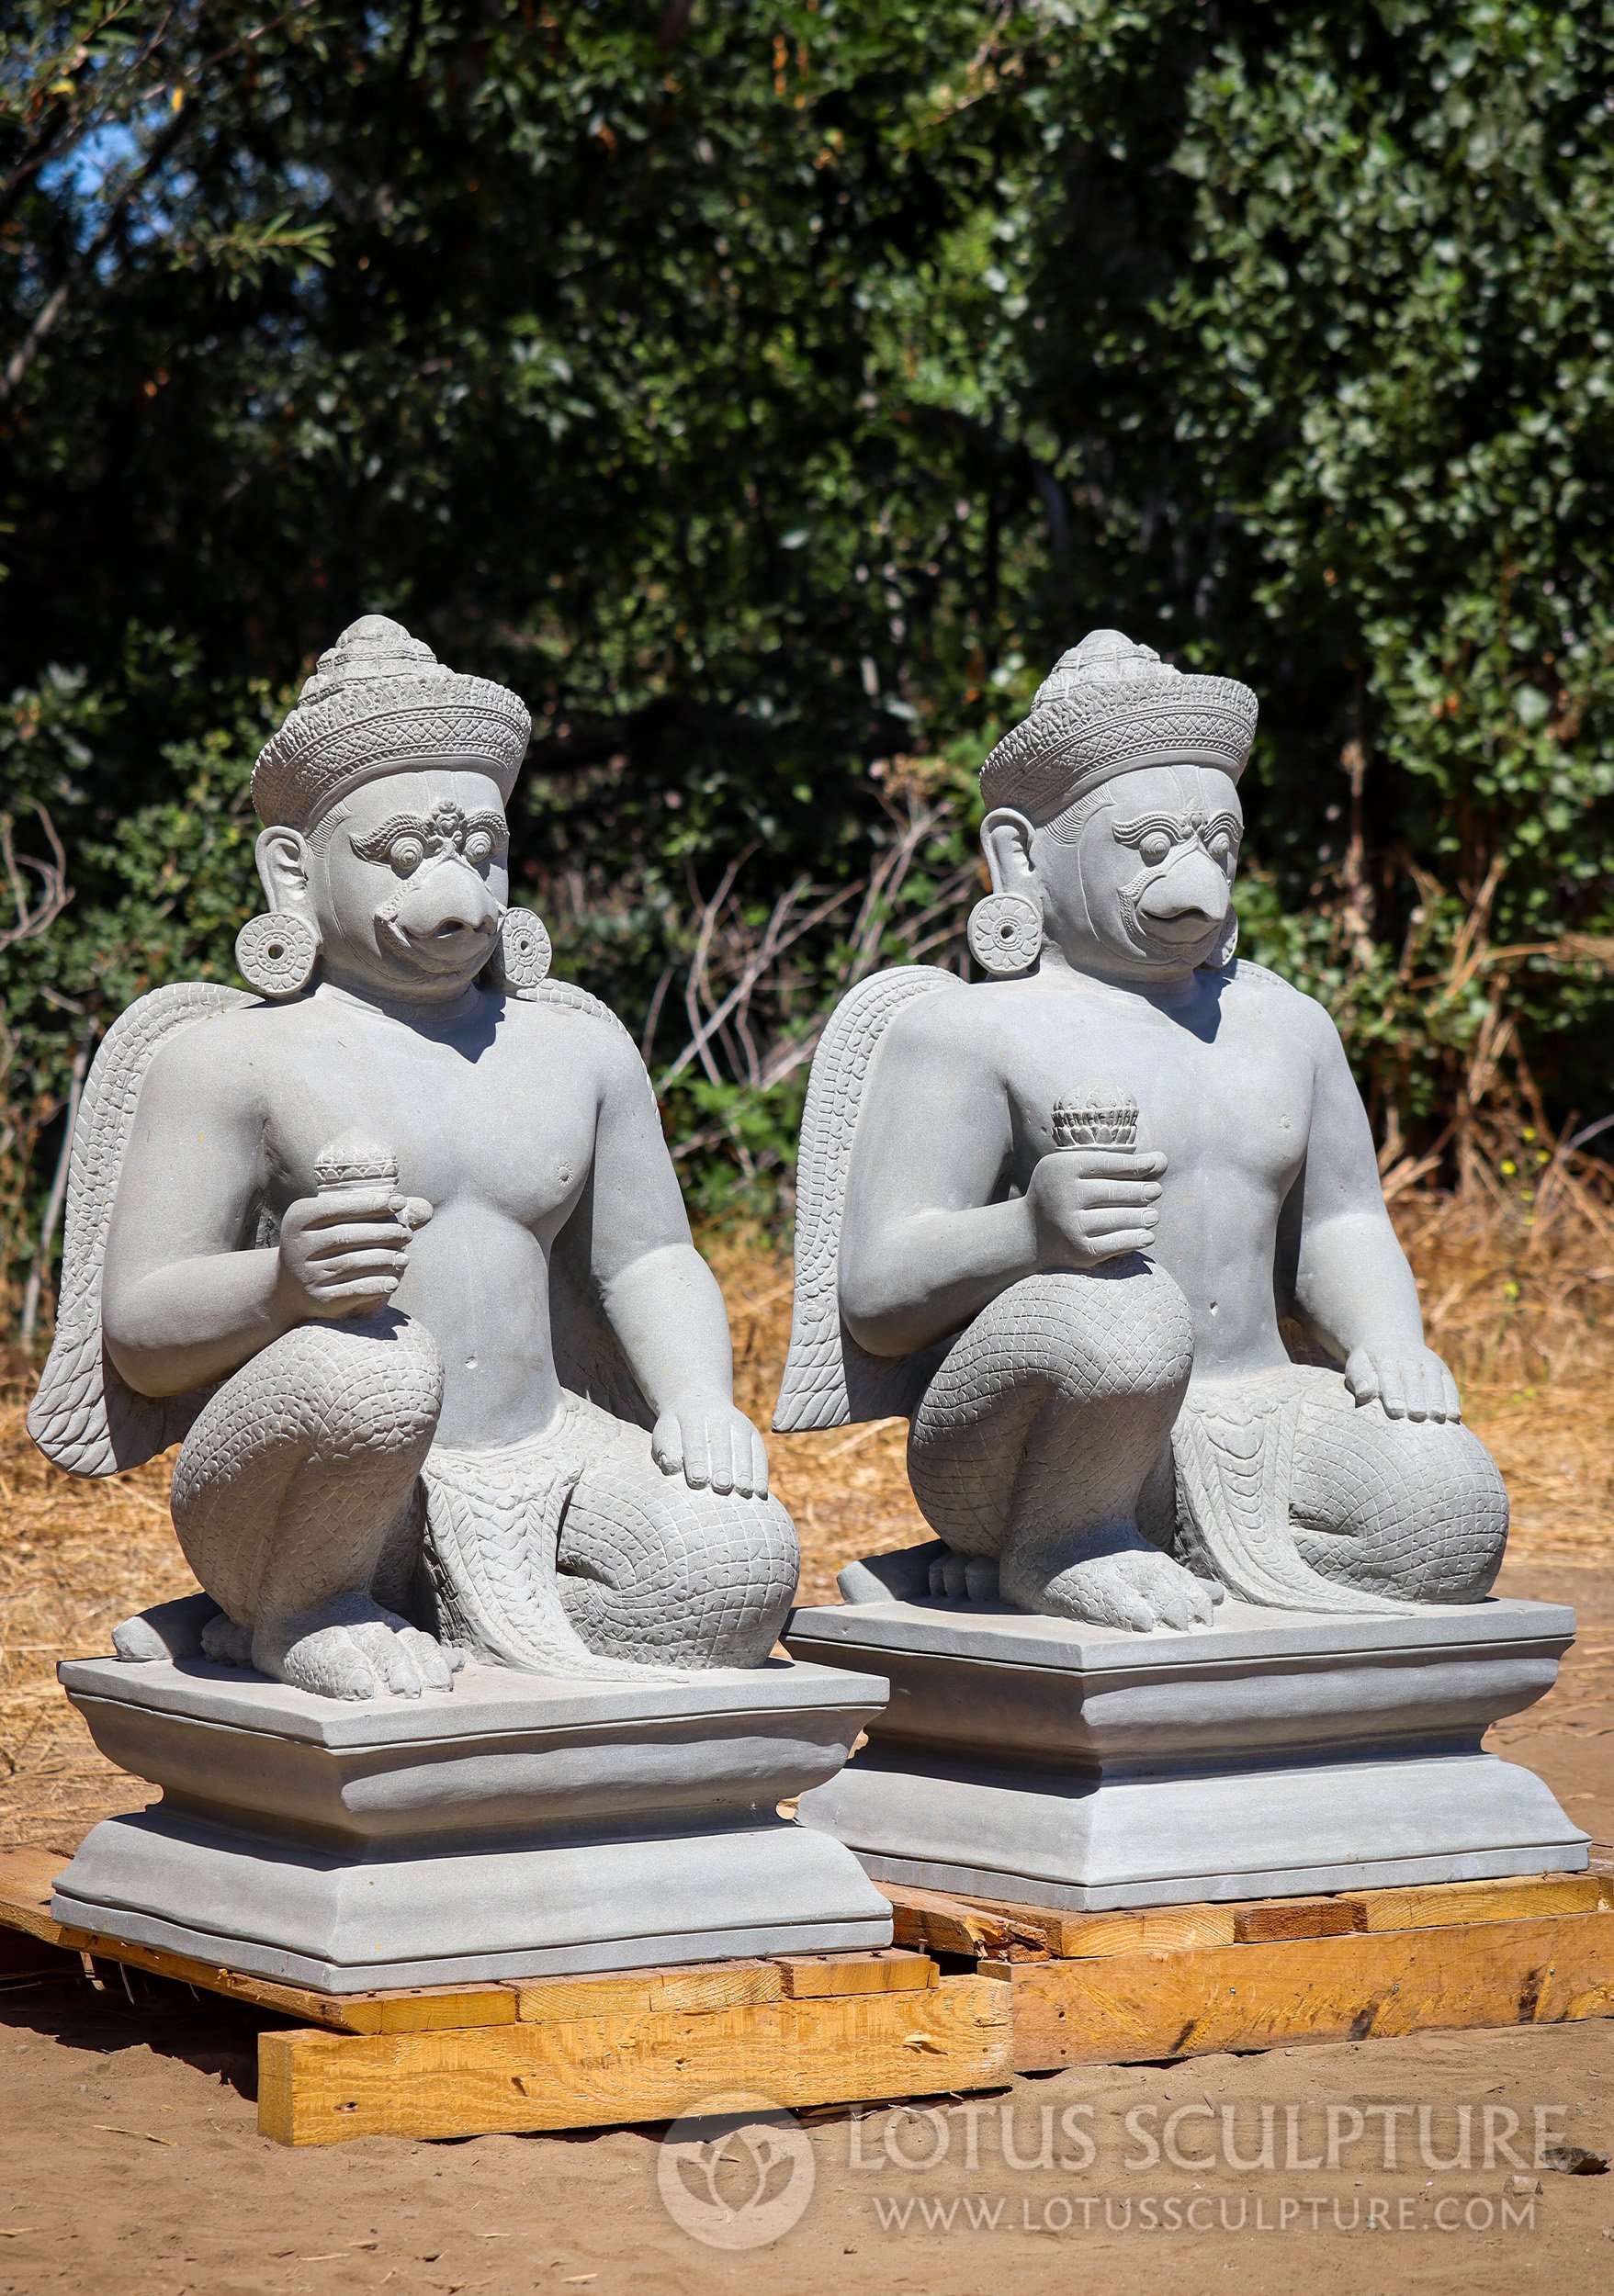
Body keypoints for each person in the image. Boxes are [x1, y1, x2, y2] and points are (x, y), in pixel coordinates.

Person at [31, 617, 796, 1695]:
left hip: (547, 1450)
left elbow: (646, 1258)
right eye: (402, 854)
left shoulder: (576, 1044)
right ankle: (299, 1606)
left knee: (738, 1567)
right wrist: (282, 1284)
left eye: (481, 853)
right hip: (327, 1462)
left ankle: (450, 1616)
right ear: (293, 872)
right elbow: (142, 1335)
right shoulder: (229, 1060)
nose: (457, 895)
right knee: (371, 1362)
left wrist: (695, 1400)